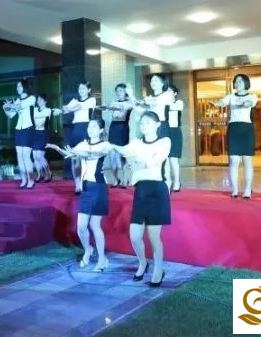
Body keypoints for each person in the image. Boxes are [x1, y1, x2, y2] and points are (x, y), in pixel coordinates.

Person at [111, 111, 171, 287]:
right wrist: (109, 145)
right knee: (135, 236)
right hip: (141, 190)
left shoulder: (164, 142)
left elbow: (155, 160)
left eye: (148, 122)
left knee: (154, 236)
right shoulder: (136, 143)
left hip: (157, 191)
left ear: (157, 124)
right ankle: (143, 263)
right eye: (142, 122)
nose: (144, 125)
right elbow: (124, 151)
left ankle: (158, 269)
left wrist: (138, 161)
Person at [47, 118, 112, 272]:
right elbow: (70, 153)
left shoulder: (105, 145)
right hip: (86, 188)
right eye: (89, 126)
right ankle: (88, 249)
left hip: (98, 187)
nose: (90, 129)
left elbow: (92, 154)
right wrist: (57, 149)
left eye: (94, 126)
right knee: (81, 227)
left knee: (94, 225)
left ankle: (102, 260)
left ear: (101, 130)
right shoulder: (83, 144)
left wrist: (76, 152)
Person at [211, 74, 258, 199]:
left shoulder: (252, 96)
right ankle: (235, 189)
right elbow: (223, 102)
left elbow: (250, 103)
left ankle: (247, 189)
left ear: (246, 83)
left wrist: (245, 103)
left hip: (246, 129)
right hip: (234, 129)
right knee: (233, 160)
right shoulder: (230, 96)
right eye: (236, 82)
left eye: (240, 81)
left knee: (247, 160)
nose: (237, 84)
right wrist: (217, 103)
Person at [53, 81, 97, 194]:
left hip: (86, 129)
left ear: (89, 90)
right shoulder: (74, 100)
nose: (81, 90)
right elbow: (66, 107)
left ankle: (87, 182)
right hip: (76, 129)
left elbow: (77, 107)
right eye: (80, 88)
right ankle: (77, 186)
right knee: (74, 157)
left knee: (85, 158)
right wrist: (61, 110)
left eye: (83, 88)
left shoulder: (92, 100)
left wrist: (65, 109)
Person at [2, 80, 36, 189]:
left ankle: (31, 180)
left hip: (28, 129)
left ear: (25, 87)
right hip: (19, 129)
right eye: (17, 86)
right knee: (19, 156)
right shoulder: (17, 100)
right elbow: (11, 115)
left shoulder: (31, 98)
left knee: (26, 156)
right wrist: (5, 108)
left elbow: (20, 106)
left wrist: (10, 105)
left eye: (20, 86)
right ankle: (24, 180)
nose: (18, 88)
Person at [100, 83, 134, 188]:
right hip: (113, 127)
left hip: (123, 128)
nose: (119, 93)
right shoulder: (114, 102)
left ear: (126, 92)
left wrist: (111, 106)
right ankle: (115, 179)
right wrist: (105, 107)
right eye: (117, 91)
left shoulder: (129, 102)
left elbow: (124, 107)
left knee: (122, 155)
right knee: (112, 154)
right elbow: (106, 108)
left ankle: (125, 179)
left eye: (121, 90)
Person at [32, 94, 56, 182]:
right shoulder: (34, 110)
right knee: (34, 156)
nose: (39, 101)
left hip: (43, 134)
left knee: (39, 156)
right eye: (38, 100)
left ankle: (48, 173)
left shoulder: (48, 110)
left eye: (41, 100)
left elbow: (43, 123)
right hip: (35, 134)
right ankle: (40, 174)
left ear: (45, 101)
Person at [165, 84, 184, 192]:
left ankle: (177, 182)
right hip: (165, 131)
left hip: (175, 132)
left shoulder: (178, 102)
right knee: (166, 159)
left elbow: (175, 108)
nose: (167, 93)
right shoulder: (163, 103)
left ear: (175, 93)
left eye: (169, 91)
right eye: (166, 91)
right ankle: (168, 181)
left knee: (173, 159)